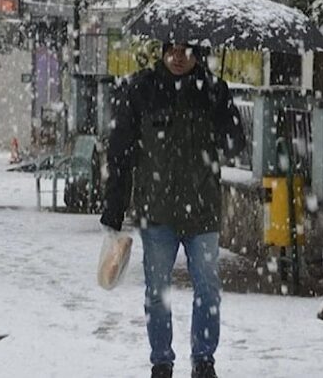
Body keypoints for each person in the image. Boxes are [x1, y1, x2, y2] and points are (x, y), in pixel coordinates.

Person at [100, 43, 246, 378]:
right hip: (157, 212)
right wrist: (114, 208)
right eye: (172, 49)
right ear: (162, 51)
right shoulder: (142, 90)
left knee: (208, 289)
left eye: (186, 50)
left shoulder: (212, 90)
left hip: (203, 211)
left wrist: (219, 104)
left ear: (199, 53)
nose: (178, 57)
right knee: (156, 291)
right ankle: (162, 362)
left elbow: (234, 144)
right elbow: (120, 154)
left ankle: (204, 361)